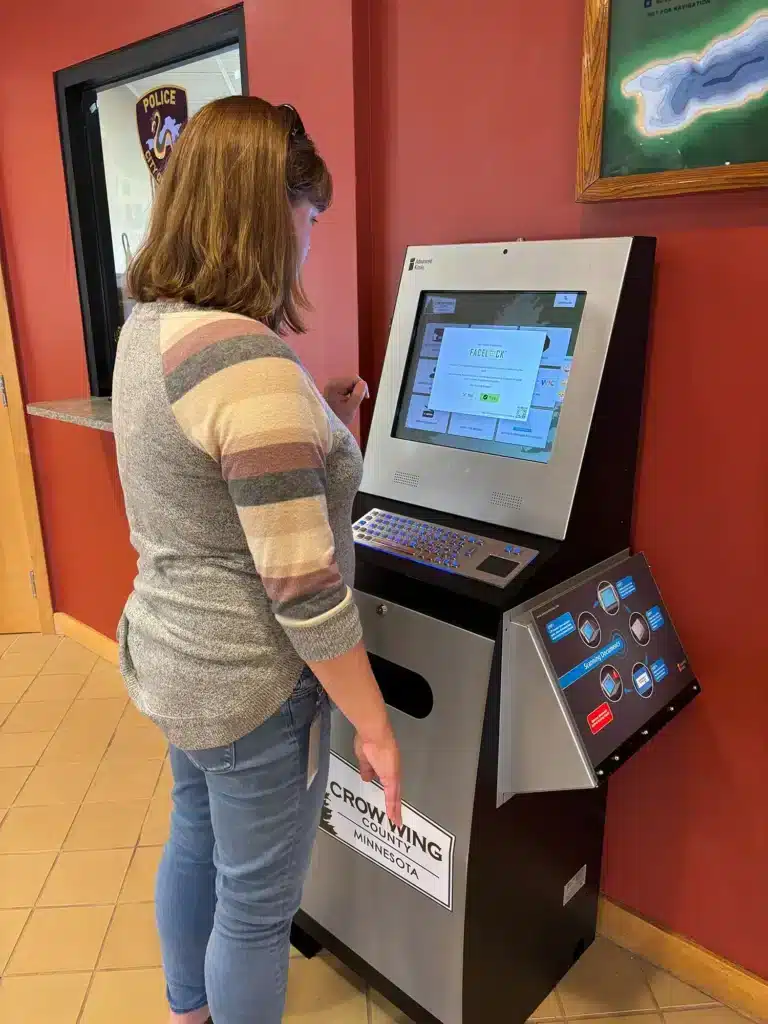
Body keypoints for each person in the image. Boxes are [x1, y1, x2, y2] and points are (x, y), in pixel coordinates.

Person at [112, 96, 402, 1024]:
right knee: (256, 906)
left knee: (194, 839)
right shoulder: (249, 366)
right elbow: (308, 594)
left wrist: (318, 415)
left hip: (176, 662)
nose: (312, 239)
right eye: (310, 215)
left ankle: (187, 1011)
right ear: (267, 213)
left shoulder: (152, 329)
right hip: (255, 690)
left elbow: (211, 463)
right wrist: (376, 726)